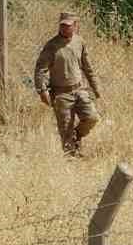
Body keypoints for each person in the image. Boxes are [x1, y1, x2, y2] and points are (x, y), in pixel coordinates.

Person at [34, 10, 102, 156]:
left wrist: (96, 87)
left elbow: (87, 67)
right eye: (62, 25)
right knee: (66, 131)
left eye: (68, 25)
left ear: (76, 25)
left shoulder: (79, 42)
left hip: (79, 90)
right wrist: (42, 90)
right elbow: (41, 69)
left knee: (92, 118)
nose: (65, 28)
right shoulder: (51, 46)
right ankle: (72, 160)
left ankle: (77, 135)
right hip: (61, 94)